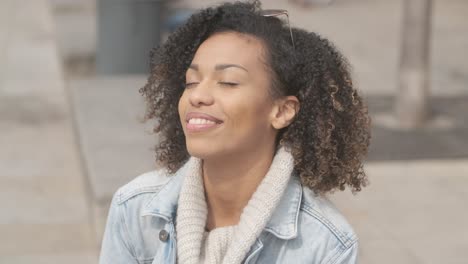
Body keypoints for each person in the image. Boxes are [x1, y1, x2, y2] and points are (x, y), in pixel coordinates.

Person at [99, 1, 370, 263]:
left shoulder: (326, 244)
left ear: (282, 111)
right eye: (191, 82)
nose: (198, 96)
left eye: (228, 82)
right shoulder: (135, 209)